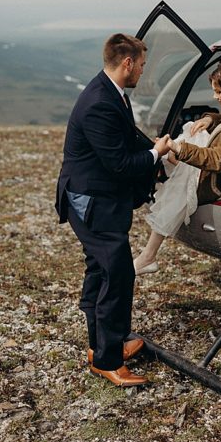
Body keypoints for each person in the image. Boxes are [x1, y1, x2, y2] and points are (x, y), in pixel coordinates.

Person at [55, 33, 171, 387]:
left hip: (95, 198)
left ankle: (101, 345)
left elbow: (125, 135)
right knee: (117, 274)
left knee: (101, 269)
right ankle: (108, 360)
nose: (142, 71)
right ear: (127, 64)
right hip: (90, 201)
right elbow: (120, 163)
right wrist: (157, 154)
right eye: (141, 65)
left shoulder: (110, 92)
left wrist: (153, 144)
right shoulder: (98, 102)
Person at [132, 55, 221, 275]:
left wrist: (179, 150)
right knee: (188, 133)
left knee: (177, 168)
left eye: (219, 92)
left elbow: (220, 159)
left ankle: (148, 256)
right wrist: (209, 119)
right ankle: (163, 156)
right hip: (213, 170)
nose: (215, 97)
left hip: (215, 181)